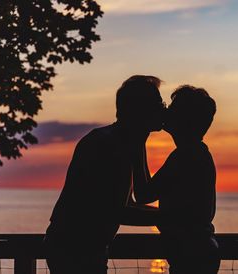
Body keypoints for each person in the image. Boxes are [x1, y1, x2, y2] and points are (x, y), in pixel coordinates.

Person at [44, 75, 166, 274]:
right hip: (74, 248)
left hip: (83, 247)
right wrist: (172, 217)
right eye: (157, 102)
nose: (162, 107)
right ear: (140, 109)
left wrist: (166, 216)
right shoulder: (109, 145)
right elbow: (116, 210)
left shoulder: (129, 142)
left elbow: (130, 201)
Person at [132, 85, 220, 274]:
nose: (167, 110)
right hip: (199, 253)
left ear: (184, 119)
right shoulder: (194, 153)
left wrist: (138, 140)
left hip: (192, 257)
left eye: (173, 107)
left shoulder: (186, 156)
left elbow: (143, 194)